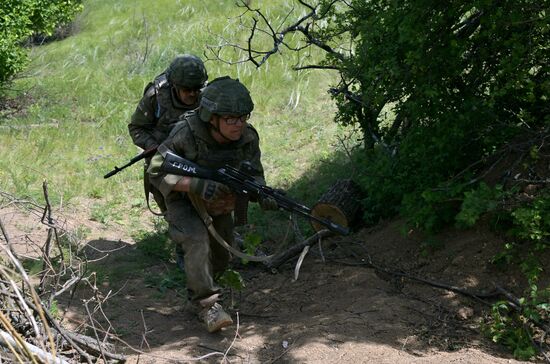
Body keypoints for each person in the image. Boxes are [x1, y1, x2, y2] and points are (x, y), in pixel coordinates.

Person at [147, 76, 277, 333]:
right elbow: (155, 170)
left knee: (221, 252)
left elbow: (254, 174)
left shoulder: (247, 138)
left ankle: (201, 287)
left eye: (243, 117)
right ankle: (207, 305)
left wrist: (263, 193)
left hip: (219, 201)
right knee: (197, 240)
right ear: (211, 117)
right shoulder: (186, 133)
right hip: (182, 198)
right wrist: (194, 185)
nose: (238, 124)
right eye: (230, 118)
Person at [128, 54, 208, 270]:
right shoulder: (156, 96)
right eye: (186, 89)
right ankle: (185, 249)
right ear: (174, 86)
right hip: (164, 164)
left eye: (196, 89)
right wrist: (156, 147)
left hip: (197, 159)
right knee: (175, 210)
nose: (192, 94)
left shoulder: (206, 95)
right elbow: (136, 128)